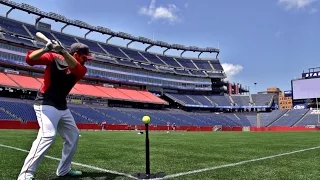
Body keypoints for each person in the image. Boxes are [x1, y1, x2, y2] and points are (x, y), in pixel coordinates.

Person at [17, 40, 93, 180]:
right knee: (48, 135)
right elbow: (30, 59)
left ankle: (64, 170)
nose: (86, 61)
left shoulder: (81, 68)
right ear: (76, 54)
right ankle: (25, 174)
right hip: (45, 102)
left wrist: (62, 51)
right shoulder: (53, 57)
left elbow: (74, 66)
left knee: (73, 135)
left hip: (61, 106)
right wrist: (46, 48)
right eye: (84, 57)